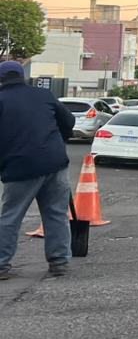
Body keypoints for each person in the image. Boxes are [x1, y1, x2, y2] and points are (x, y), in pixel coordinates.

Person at [0, 61, 76, 280]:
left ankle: (2, 265)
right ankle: (59, 263)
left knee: (10, 217)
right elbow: (68, 121)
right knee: (56, 213)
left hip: (19, 166)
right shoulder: (44, 95)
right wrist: (59, 139)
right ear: (22, 76)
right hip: (54, 162)